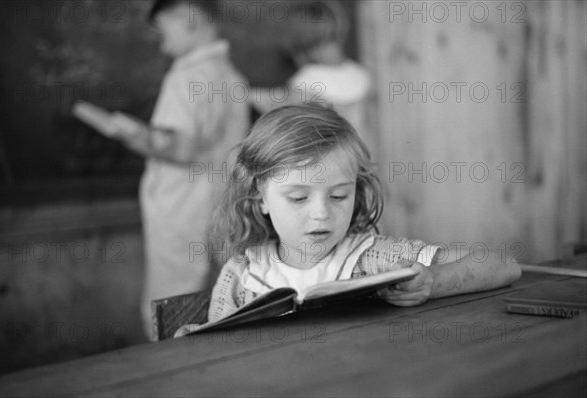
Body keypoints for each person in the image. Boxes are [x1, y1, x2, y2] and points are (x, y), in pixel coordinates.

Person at [179, 104, 521, 331]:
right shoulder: (241, 275)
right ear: (260, 197)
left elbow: (504, 264)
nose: (322, 213)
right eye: (298, 197)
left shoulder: (375, 259)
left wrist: (432, 282)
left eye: (339, 195)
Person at [108, 0, 249, 339]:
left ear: (190, 19)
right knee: (219, 307)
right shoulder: (232, 77)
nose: (161, 41)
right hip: (222, 209)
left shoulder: (186, 76)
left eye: (163, 29)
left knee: (170, 310)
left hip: (181, 212)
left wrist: (134, 137)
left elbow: (182, 147)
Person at [253, 1, 372, 146]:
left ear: (302, 46)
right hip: (356, 155)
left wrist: (246, 92)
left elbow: (277, 106)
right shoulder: (360, 76)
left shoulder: (307, 80)